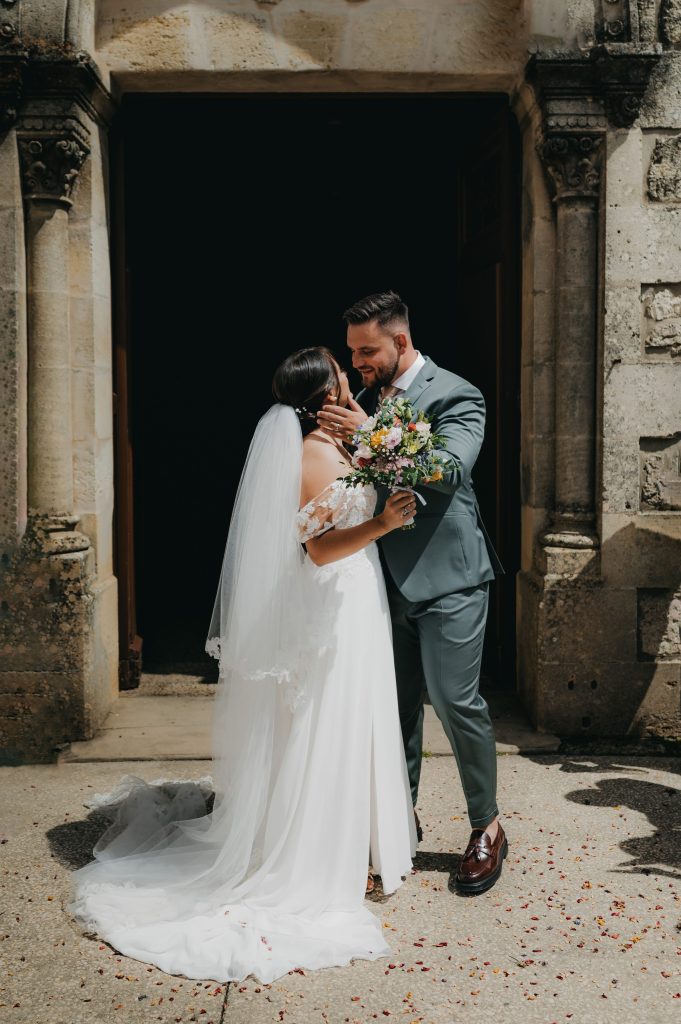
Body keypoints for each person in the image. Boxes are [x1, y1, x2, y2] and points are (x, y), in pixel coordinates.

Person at [66, 346, 417, 984]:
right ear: (322, 391)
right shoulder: (311, 454)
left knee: (356, 713)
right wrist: (383, 524)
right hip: (336, 594)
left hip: (357, 596)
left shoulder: (337, 443)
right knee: (327, 720)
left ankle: (360, 842)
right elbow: (315, 549)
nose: (349, 375)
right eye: (341, 371)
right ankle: (320, 849)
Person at [317, 291, 508, 896]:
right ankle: (399, 822)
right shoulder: (371, 400)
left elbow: (450, 469)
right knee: (393, 709)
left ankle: (487, 826)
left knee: (455, 704)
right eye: (351, 352)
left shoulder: (458, 394)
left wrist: (368, 432)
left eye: (366, 350)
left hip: (450, 579)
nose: (358, 362)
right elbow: (366, 478)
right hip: (382, 579)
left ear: (400, 341)